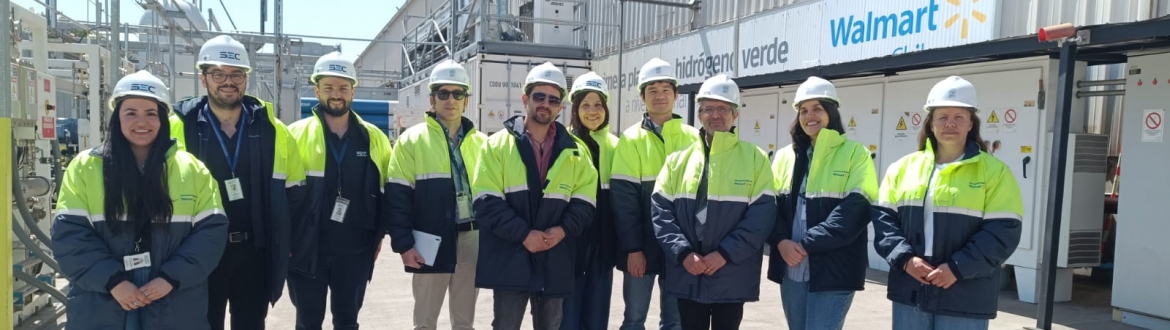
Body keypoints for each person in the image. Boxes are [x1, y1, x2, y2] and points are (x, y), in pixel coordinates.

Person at [52, 70, 228, 330]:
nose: (141, 121)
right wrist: (113, 282)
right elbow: (69, 234)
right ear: (117, 117)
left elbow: (210, 234)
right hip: (103, 303)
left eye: (150, 113)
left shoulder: (192, 169)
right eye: (131, 112)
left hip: (173, 302)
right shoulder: (85, 167)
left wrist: (170, 278)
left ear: (163, 118)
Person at [169, 34, 305, 330]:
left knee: (251, 324)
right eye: (218, 73)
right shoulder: (176, 127)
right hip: (197, 252)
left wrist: (286, 242)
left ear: (246, 80)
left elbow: (295, 193)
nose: (228, 81)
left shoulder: (273, 130)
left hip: (254, 252)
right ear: (204, 78)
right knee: (201, 324)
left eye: (236, 74)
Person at [873, 76, 1024, 330]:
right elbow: (883, 222)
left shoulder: (995, 172)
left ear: (970, 124)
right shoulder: (902, 168)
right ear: (931, 124)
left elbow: (1003, 231)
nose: (950, 124)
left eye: (959, 117)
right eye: (942, 117)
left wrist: (956, 268)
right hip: (911, 289)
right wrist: (906, 260)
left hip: (965, 294)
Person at [472, 62, 598, 330]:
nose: (546, 104)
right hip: (510, 256)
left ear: (560, 107)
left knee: (551, 326)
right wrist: (523, 234)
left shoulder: (577, 152)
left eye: (553, 99)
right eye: (539, 96)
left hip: (555, 256)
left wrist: (563, 230)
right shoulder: (496, 146)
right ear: (525, 99)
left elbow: (585, 203)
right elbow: (485, 202)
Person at [651, 75, 775, 330]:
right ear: (699, 115)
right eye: (709, 109)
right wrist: (683, 253)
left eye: (723, 109)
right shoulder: (677, 161)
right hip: (689, 270)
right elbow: (661, 212)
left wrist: (725, 254)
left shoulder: (756, 158)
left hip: (731, 271)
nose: (715, 115)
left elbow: (761, 216)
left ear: (735, 115)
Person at [287, 52, 393, 330]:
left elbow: (387, 192)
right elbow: (281, 196)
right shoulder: (294, 135)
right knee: (308, 322)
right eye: (329, 87)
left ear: (353, 91)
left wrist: (378, 235)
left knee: (347, 322)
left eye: (343, 87)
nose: (336, 94)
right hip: (307, 250)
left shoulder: (374, 137)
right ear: (316, 89)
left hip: (355, 250)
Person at [768, 77, 877, 330]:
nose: (810, 116)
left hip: (834, 269)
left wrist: (807, 243)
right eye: (803, 110)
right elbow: (769, 207)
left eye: (817, 108)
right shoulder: (785, 156)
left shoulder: (855, 153)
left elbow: (856, 210)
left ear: (831, 111)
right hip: (791, 266)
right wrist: (781, 241)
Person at [387, 59, 488, 330]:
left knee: (465, 321)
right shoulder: (412, 140)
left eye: (458, 94)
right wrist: (404, 245)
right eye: (443, 93)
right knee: (424, 322)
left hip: (472, 239)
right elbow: (397, 198)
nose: (450, 100)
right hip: (429, 240)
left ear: (466, 100)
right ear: (432, 99)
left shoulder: (483, 144)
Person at [612, 58, 698, 330]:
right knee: (634, 320)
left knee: (675, 322)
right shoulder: (630, 140)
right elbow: (624, 202)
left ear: (676, 95)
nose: (659, 96)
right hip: (643, 246)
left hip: (681, 249)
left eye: (665, 89)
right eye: (652, 90)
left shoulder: (694, 138)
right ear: (642, 96)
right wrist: (633, 249)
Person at [560, 72, 620, 330]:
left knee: (596, 319)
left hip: (602, 247)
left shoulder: (618, 146)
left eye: (598, 105)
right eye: (585, 105)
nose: (592, 111)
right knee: (567, 318)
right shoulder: (562, 143)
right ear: (575, 108)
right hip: (569, 246)